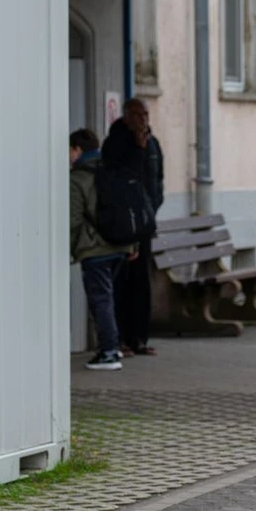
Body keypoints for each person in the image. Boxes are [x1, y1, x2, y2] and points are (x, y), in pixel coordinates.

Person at [70, 128, 136, 371]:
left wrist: (71, 249)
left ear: (77, 149)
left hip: (94, 248)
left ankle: (108, 352)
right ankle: (114, 345)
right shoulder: (114, 168)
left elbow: (73, 219)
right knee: (110, 298)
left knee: (100, 300)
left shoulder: (77, 178)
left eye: (70, 150)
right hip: (121, 244)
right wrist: (133, 243)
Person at [112, 98, 165, 356]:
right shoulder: (117, 141)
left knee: (142, 284)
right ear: (126, 116)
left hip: (144, 226)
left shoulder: (152, 143)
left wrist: (151, 209)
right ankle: (120, 339)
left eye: (145, 114)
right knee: (122, 284)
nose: (143, 119)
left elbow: (158, 180)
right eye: (137, 114)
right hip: (123, 227)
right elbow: (118, 178)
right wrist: (136, 147)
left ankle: (140, 339)